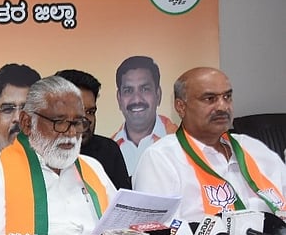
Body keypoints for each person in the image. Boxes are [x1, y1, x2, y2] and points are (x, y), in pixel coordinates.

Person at [0, 76, 118, 235]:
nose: (71, 134)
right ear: (27, 123)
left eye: (78, 123)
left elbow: (119, 230)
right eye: (59, 122)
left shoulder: (92, 168)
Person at [132, 67, 286, 222]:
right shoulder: (161, 158)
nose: (222, 106)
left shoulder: (253, 148)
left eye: (227, 97)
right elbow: (157, 233)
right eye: (210, 99)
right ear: (181, 107)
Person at [55, 69, 131, 189]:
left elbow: (124, 205)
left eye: (90, 112)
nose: (86, 120)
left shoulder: (108, 151)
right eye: (78, 111)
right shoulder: (41, 153)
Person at [112, 55, 178, 175]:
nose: (137, 99)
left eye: (145, 89)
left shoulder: (181, 143)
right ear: (119, 99)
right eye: (128, 91)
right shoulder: (108, 150)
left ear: (158, 95)